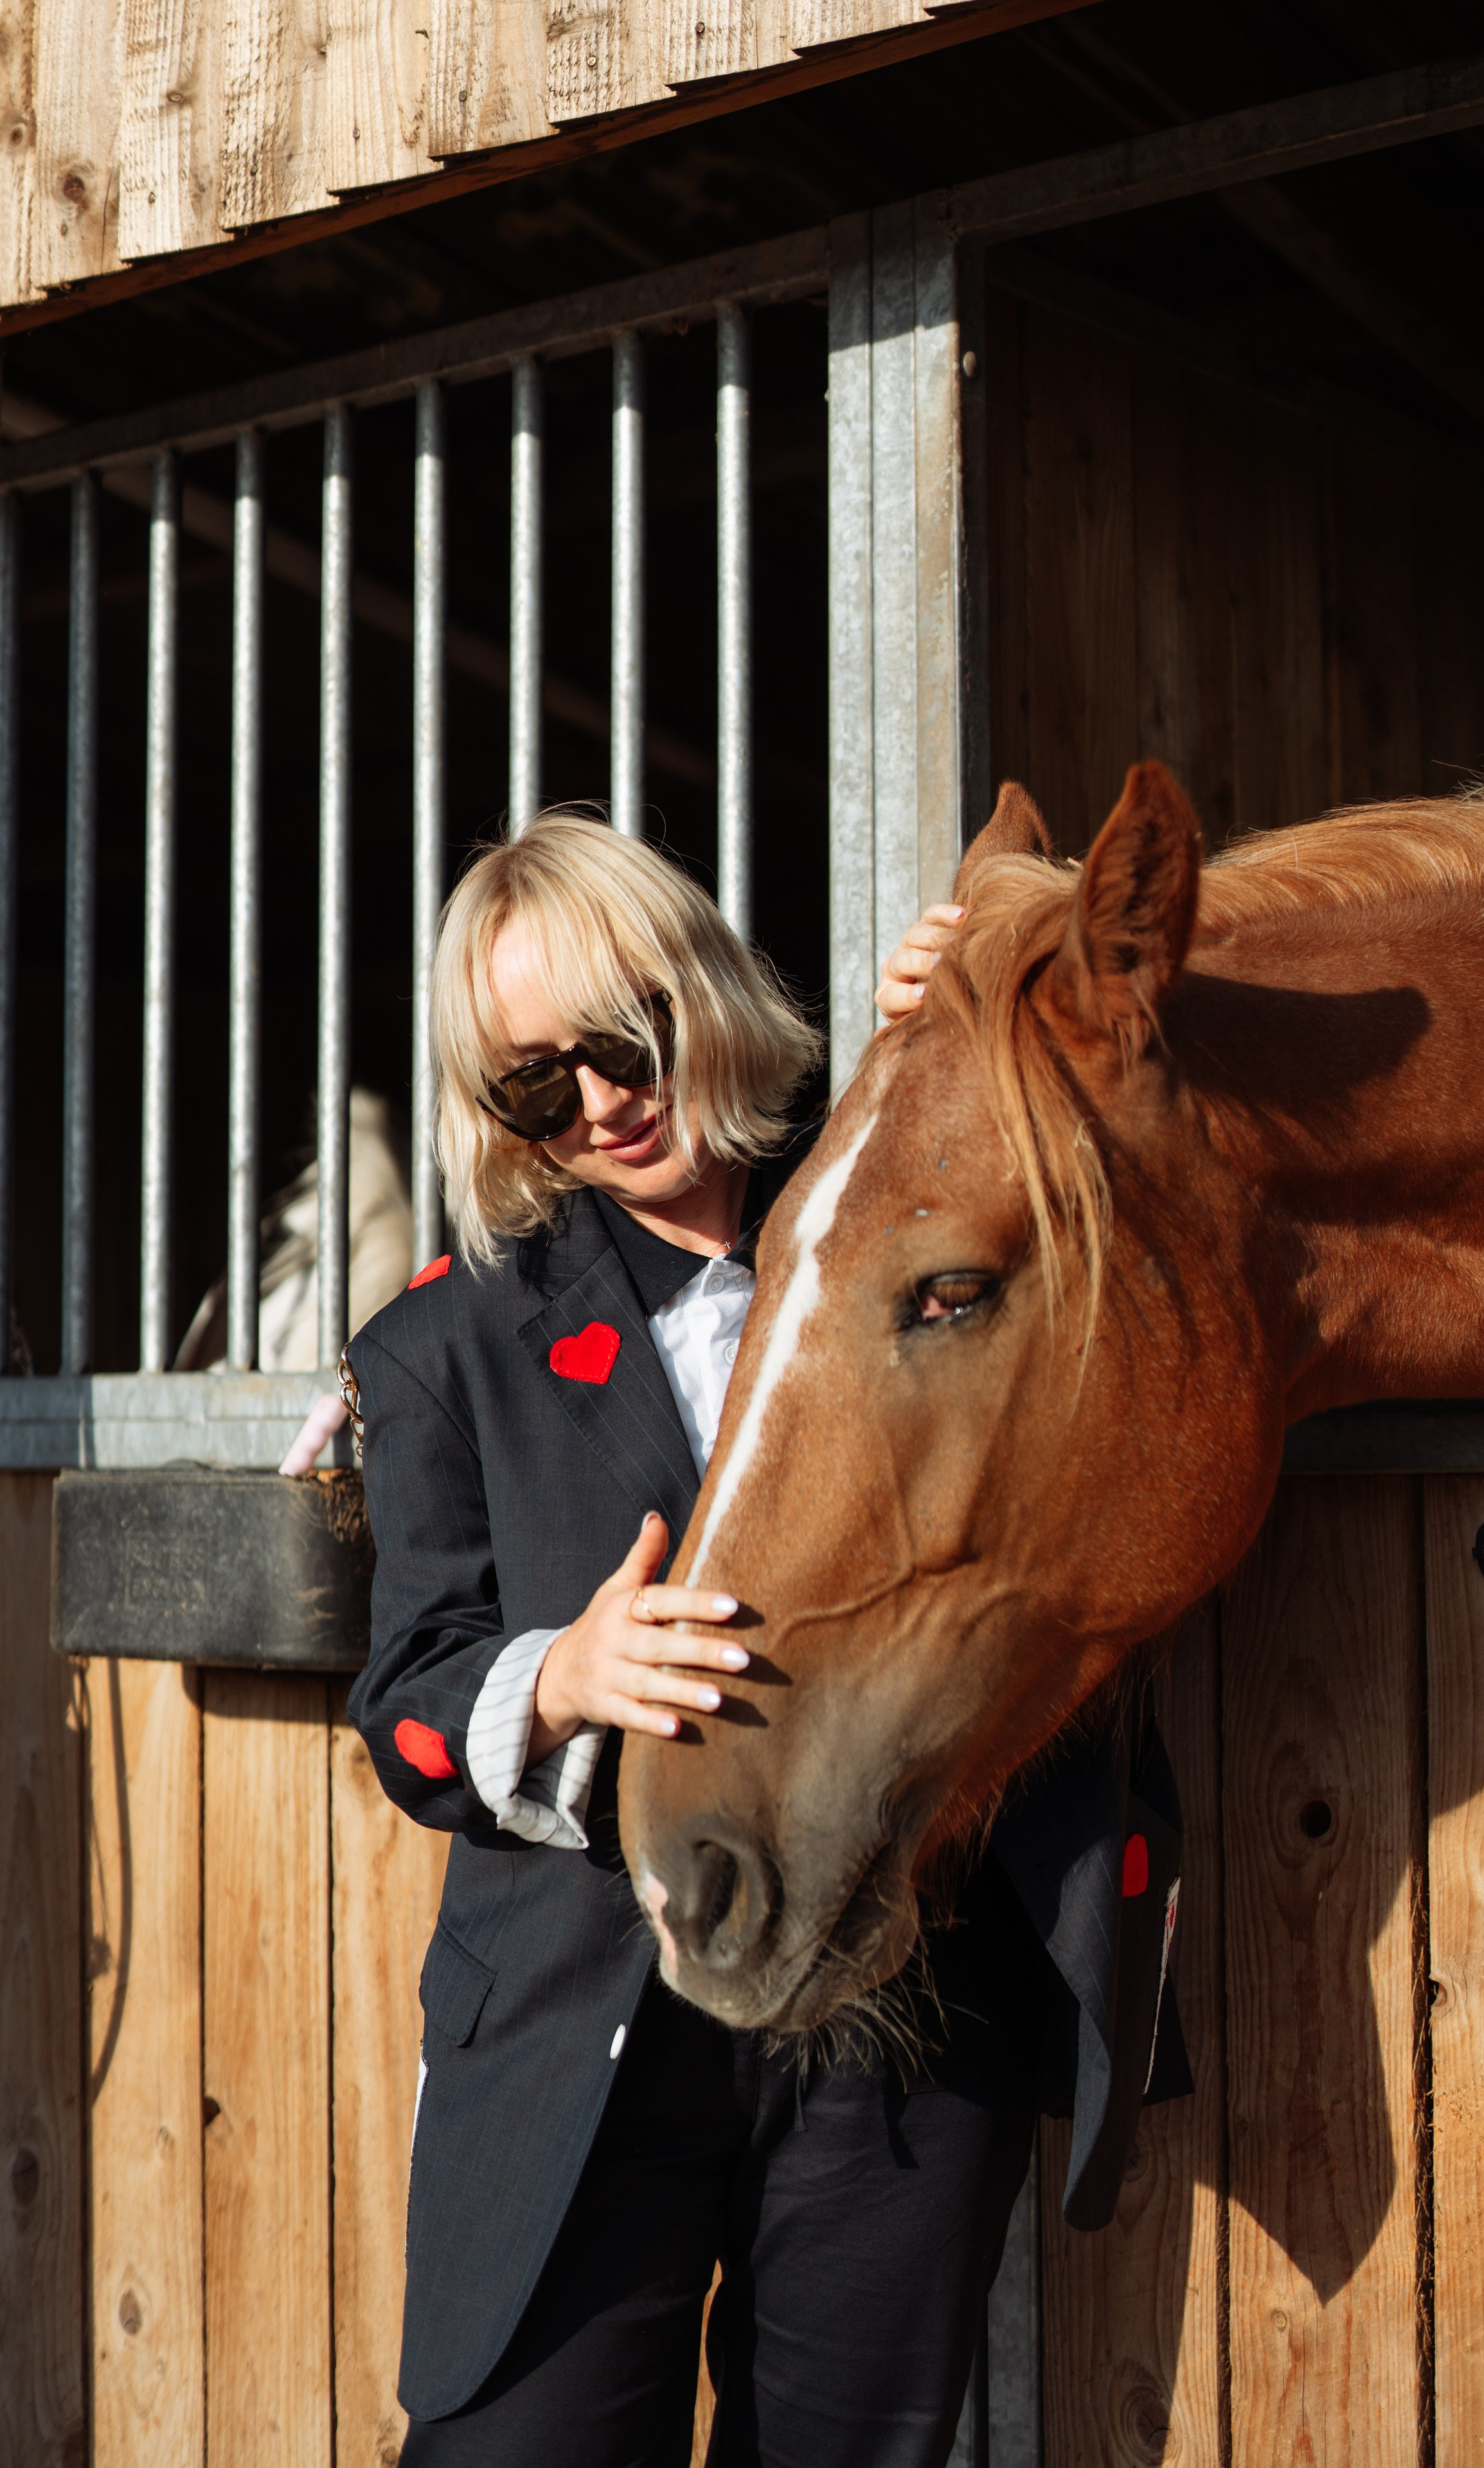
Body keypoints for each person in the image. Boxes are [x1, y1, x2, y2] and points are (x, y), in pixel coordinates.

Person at [340, 812, 1188, 2468]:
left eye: (630, 1035)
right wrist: (562, 1680)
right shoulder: (447, 1343)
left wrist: (990, 1028)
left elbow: (1125, 1173)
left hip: (903, 1990)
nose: (600, 1100)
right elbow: (410, 1706)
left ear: (710, 988)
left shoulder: (906, 1205)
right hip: (591, 2021)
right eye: (535, 1082)